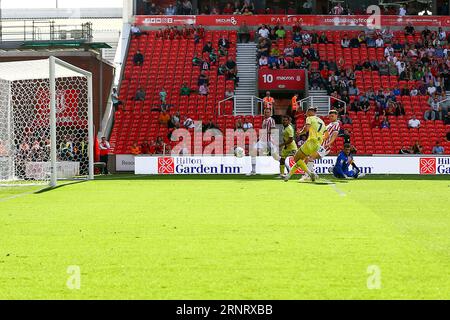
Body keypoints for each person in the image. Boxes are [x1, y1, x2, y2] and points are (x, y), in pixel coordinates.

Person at [284, 107, 326, 182]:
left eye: (307, 111)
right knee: (301, 160)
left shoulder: (309, 118)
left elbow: (306, 129)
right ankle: (288, 176)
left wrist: (300, 133)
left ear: (310, 111)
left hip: (311, 142)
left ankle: (309, 173)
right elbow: (326, 134)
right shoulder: (321, 121)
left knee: (296, 158)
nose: (306, 113)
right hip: (318, 145)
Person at [299, 110, 341, 182]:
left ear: (336, 116)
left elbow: (335, 134)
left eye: (332, 116)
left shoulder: (336, 124)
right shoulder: (329, 125)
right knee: (308, 158)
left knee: (310, 157)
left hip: (324, 146)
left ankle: (307, 175)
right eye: (330, 116)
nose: (331, 117)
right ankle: (312, 174)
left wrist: (330, 143)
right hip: (319, 144)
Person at [247, 108, 280, 176]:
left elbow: (273, 131)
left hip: (269, 141)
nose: (266, 113)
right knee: (253, 152)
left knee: (276, 157)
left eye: (268, 112)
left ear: (270, 113)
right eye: (265, 112)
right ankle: (253, 171)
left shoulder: (271, 120)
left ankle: (287, 167)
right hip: (262, 141)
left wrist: (266, 132)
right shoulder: (264, 120)